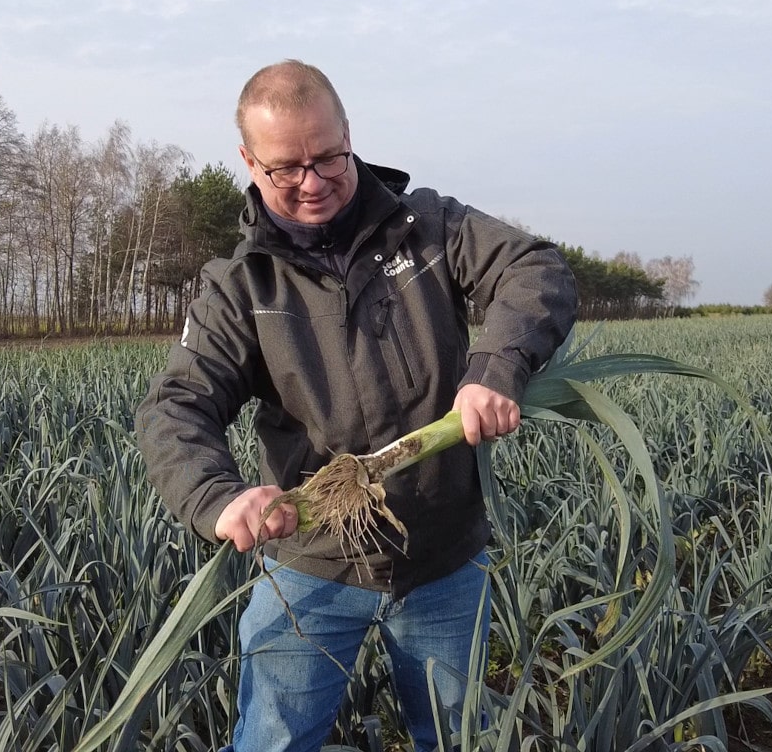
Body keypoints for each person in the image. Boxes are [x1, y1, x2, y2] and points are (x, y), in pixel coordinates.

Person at [136, 60, 578, 752]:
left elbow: (533, 269)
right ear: (249, 162)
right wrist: (217, 498)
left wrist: (495, 368)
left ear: (349, 135)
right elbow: (177, 406)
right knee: (272, 743)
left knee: (458, 738)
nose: (312, 182)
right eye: (286, 168)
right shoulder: (241, 287)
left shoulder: (428, 227)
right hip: (309, 564)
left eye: (327, 158)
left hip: (442, 559)